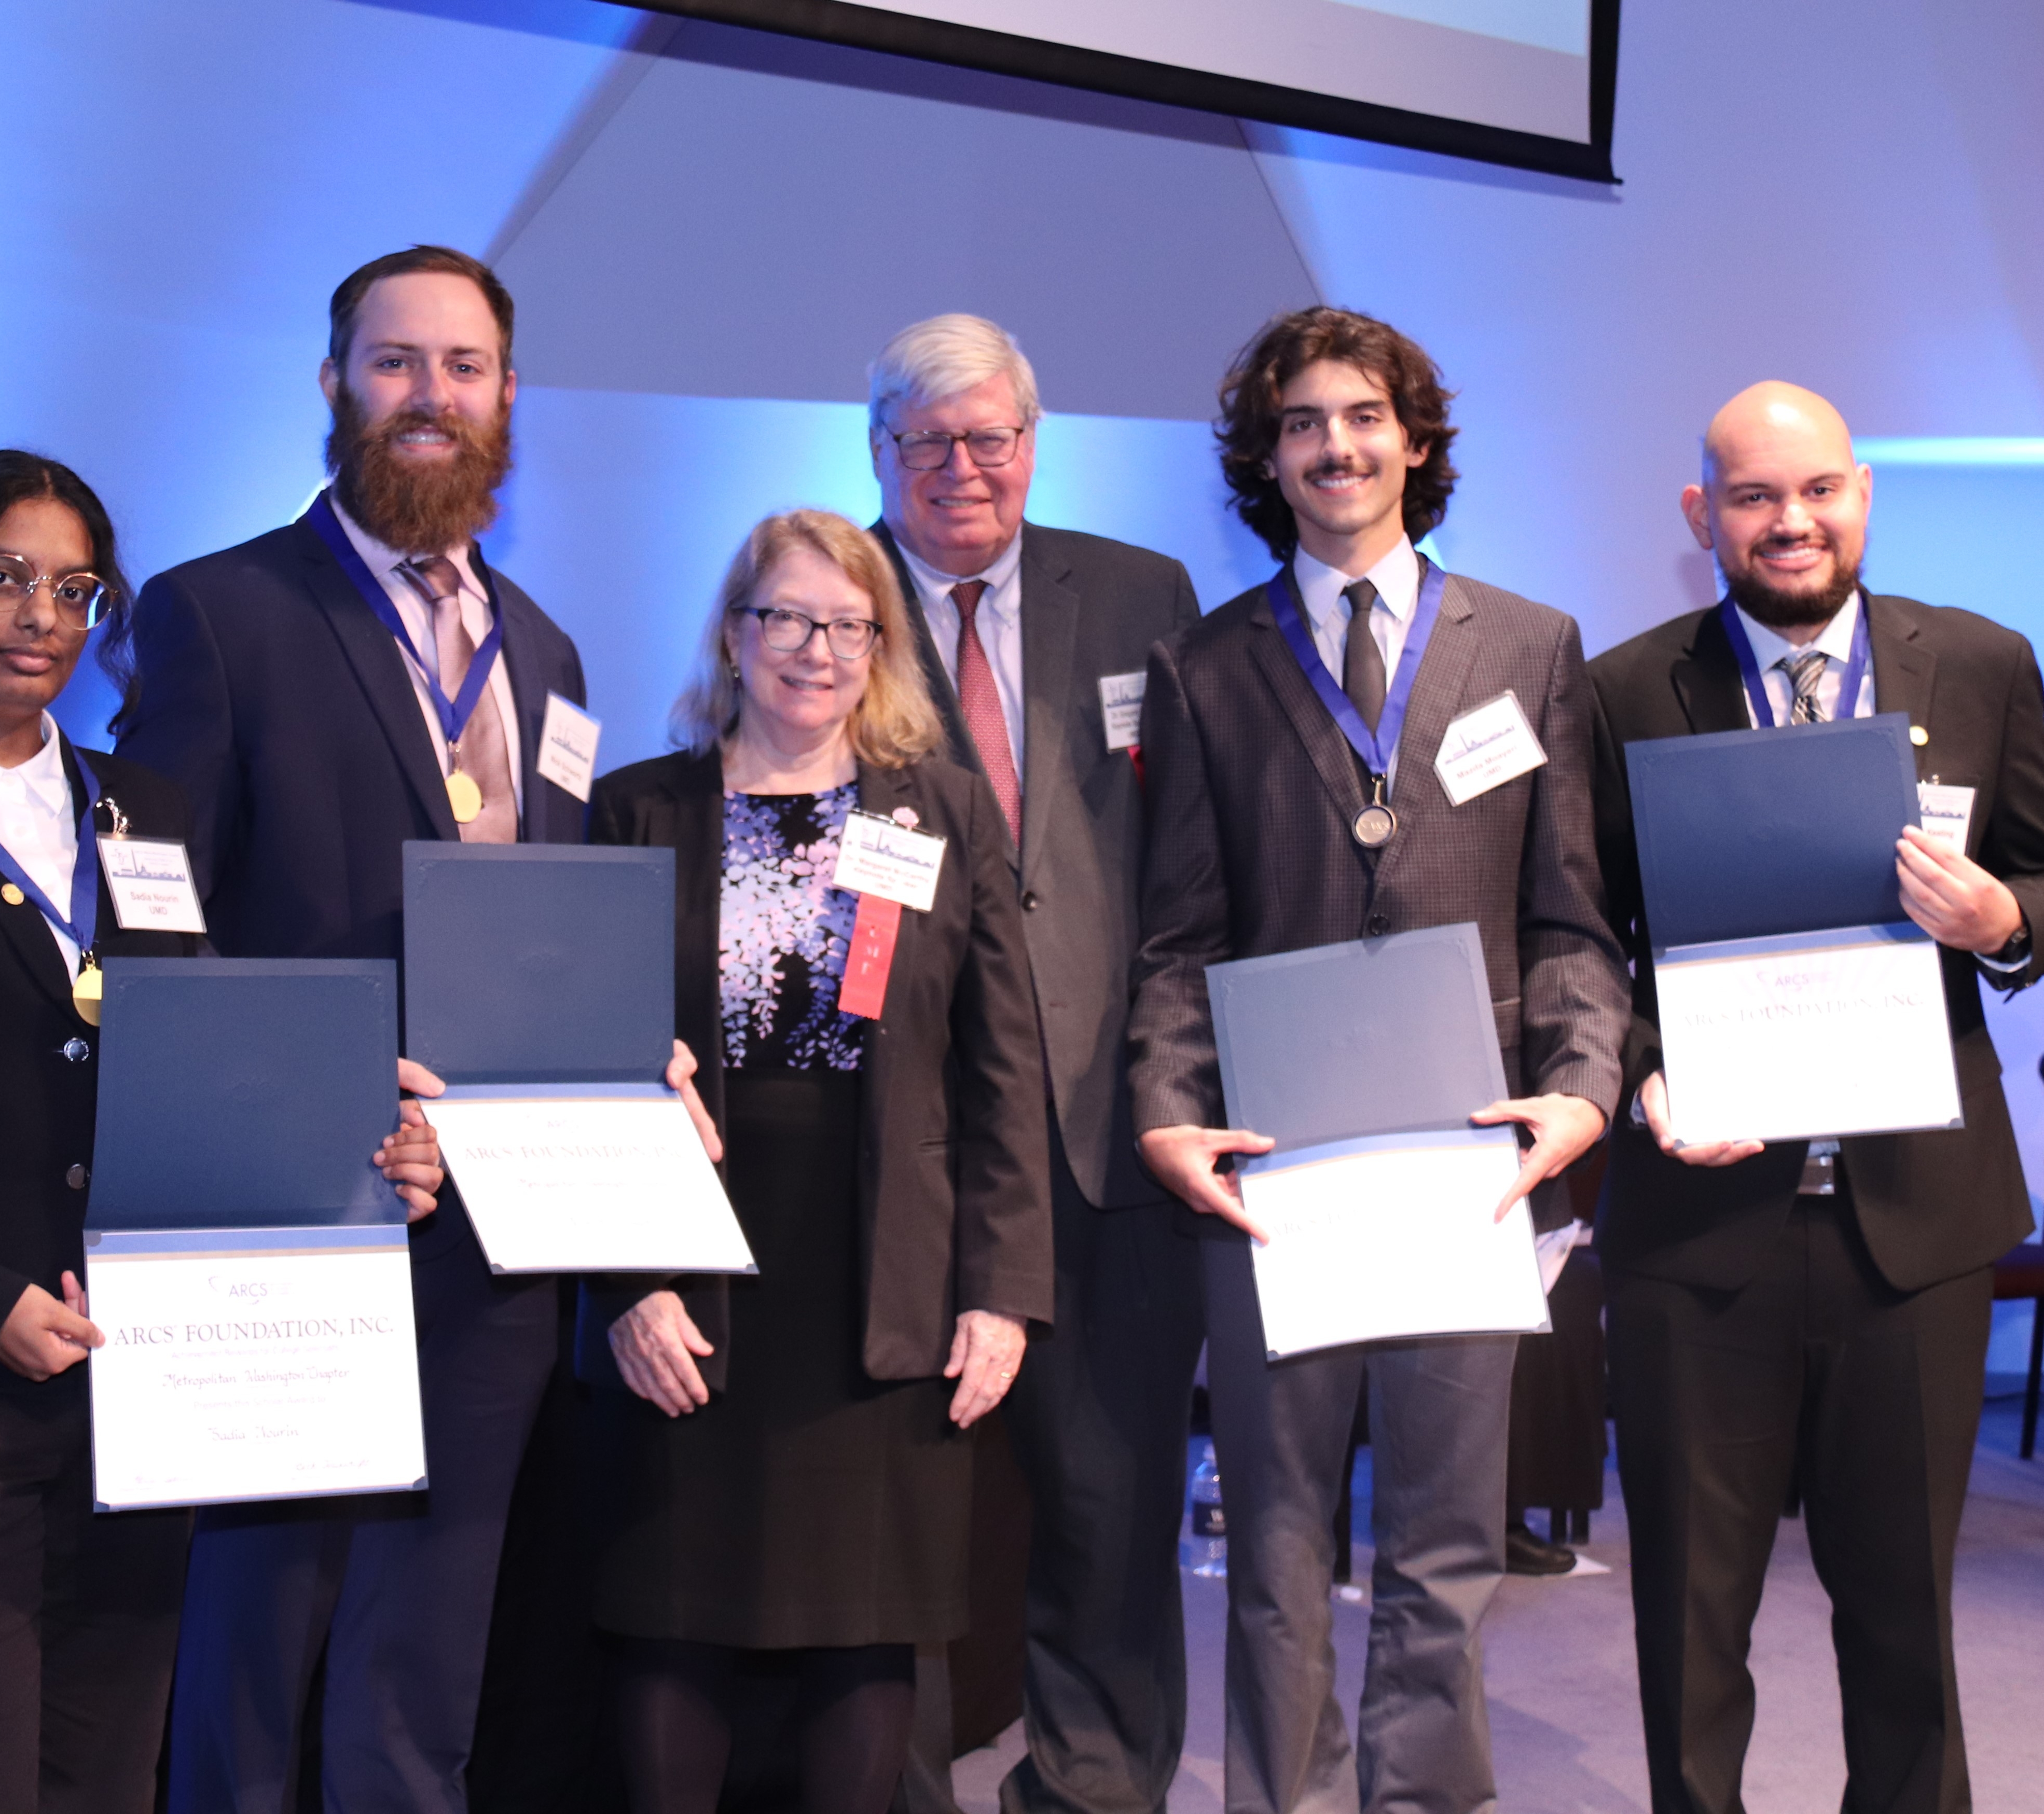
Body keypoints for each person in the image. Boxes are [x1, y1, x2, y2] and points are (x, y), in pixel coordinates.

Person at [0, 449, 446, 1812]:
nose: (42, 615)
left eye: (76, 589)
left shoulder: (146, 809)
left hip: (133, 1419)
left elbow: (204, 1078)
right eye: (0, 576)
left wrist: (368, 1150)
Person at [1127, 307, 1627, 1814]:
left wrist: (1580, 1088)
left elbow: (1570, 915)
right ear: (1265, 457)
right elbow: (1176, 938)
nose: (1332, 447)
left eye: (1361, 416)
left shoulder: (1528, 646)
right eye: (1300, 423)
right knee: (1275, 1540)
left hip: (1468, 1158)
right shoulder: (1202, 665)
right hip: (1272, 1168)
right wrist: (1167, 1112)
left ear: (1414, 441)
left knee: (1445, 1540)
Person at [118, 245, 592, 1812]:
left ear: (507, 396)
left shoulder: (546, 650)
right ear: (334, 384)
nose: (428, 396)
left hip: (494, 1225)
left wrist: (614, 1057)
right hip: (300, 1211)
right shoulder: (218, 612)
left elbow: (551, 930)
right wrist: (318, 1102)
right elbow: (156, 921)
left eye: (463, 367)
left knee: (427, 1656)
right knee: (257, 1647)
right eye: (395, 363)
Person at [1587, 381, 2044, 1814]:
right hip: (1695, 1221)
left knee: (1906, 1616)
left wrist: (2000, 921)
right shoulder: (1617, 690)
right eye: (1752, 496)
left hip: (1912, 1226)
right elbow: (1577, 938)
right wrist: (1640, 1073)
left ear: (1861, 493)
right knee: (1688, 1619)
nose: (1790, 522)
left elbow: (2043, 875)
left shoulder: (1980, 663)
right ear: (1700, 514)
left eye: (1817, 490)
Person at [585, 508, 1053, 1814]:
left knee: (867, 1619)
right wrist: (624, 1283)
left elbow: (1001, 1070)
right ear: (734, 636)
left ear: (882, 649)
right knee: (674, 1607)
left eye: (850, 626)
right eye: (787, 618)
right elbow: (583, 1067)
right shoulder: (638, 810)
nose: (817, 650)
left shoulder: (942, 810)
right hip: (686, 1266)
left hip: (885, 1275)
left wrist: (1000, 1291)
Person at [862, 313, 1205, 1814]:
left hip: (1106, 1122)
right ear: (879, 451)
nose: (962, 468)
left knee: (1110, 1497)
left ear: (1033, 442)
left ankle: (1095, 1785)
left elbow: (1189, 852)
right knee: (901, 1505)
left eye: (989, 438)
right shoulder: (828, 597)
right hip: (906, 1134)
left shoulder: (1140, 593)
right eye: (928, 442)